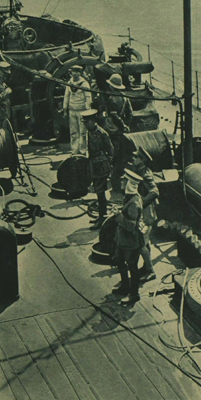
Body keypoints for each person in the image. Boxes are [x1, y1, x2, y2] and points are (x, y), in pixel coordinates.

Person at [113, 169, 145, 300]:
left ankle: (134, 294)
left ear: (129, 183)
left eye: (124, 180)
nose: (121, 180)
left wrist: (118, 215)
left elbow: (130, 226)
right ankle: (125, 286)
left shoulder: (133, 202)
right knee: (119, 261)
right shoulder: (131, 197)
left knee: (132, 267)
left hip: (131, 242)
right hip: (124, 240)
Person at [99, 73, 133, 192]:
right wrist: (125, 125)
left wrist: (121, 124)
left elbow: (113, 115)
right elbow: (130, 113)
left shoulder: (111, 99)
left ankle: (111, 172)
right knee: (120, 150)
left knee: (110, 149)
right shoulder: (125, 97)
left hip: (112, 128)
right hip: (121, 130)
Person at [130, 147, 159, 282]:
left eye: (136, 157)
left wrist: (141, 203)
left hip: (146, 213)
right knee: (145, 242)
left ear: (142, 160)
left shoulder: (145, 174)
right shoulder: (139, 171)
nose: (133, 159)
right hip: (142, 212)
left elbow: (154, 192)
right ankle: (146, 266)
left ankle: (150, 271)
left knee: (141, 243)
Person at [85, 110, 114, 230]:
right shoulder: (89, 132)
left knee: (100, 192)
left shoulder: (102, 133)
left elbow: (111, 149)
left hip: (101, 166)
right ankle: (101, 216)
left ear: (92, 121)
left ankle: (102, 218)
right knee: (98, 192)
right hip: (93, 165)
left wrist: (108, 162)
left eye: (87, 122)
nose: (85, 125)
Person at [63, 65, 92, 154]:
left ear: (80, 73)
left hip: (82, 111)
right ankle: (74, 151)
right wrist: (65, 110)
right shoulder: (69, 83)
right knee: (73, 132)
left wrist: (88, 111)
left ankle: (82, 151)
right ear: (71, 72)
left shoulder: (84, 83)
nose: (75, 73)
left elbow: (88, 97)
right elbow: (66, 96)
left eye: (77, 71)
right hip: (72, 110)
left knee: (83, 132)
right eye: (73, 71)